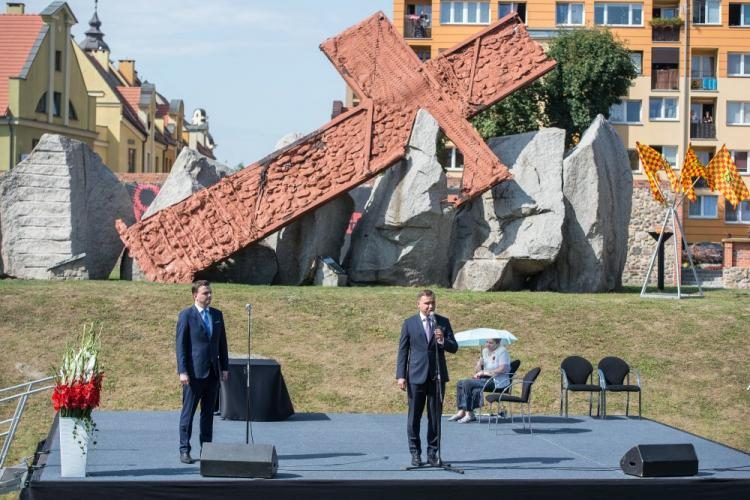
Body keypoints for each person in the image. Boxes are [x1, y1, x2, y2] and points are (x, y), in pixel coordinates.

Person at [396, 290, 458, 467]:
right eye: (426, 303)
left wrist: (442, 341)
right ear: (418, 304)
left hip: (437, 377)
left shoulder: (442, 322)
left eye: (432, 303)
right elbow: (403, 350)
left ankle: (433, 453)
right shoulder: (409, 323)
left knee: (435, 417)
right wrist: (401, 375)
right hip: (415, 376)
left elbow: (454, 347)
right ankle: (415, 453)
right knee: (414, 417)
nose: (430, 306)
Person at [176, 280, 229, 464]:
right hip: (193, 374)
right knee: (188, 413)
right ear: (195, 295)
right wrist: (182, 371)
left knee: (208, 414)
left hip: (213, 373)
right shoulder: (186, 315)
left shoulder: (217, 315)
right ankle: (184, 449)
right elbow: (180, 346)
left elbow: (222, 344)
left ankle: (207, 449)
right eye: (205, 293)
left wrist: (225, 367)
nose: (209, 296)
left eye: (210, 293)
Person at [449, 338, 511, 423]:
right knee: (460, 383)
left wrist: (485, 372)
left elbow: (503, 369)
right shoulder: (485, 351)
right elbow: (477, 370)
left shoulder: (502, 351)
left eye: (491, 343)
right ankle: (461, 411)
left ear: (498, 343)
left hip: (497, 381)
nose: (487, 344)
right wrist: (479, 364)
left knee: (467, 383)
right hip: (485, 379)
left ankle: (470, 413)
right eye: (487, 342)